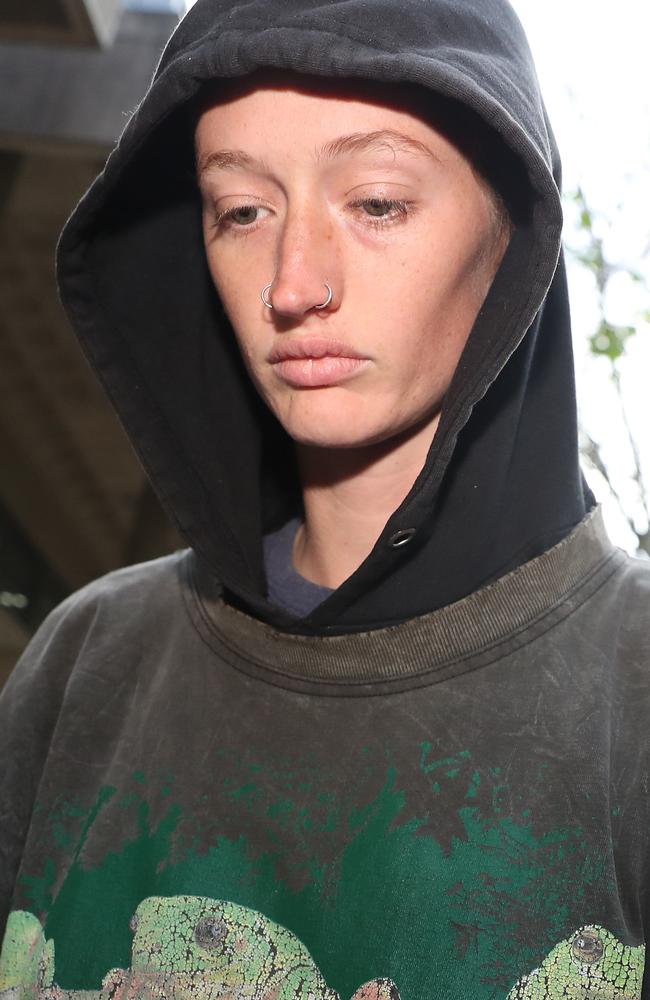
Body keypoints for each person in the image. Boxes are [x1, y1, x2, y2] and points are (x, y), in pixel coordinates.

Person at [0, 0, 648, 998]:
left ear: (512, 230)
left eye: (377, 201)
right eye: (242, 210)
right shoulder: (83, 663)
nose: (292, 283)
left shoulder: (631, 691)